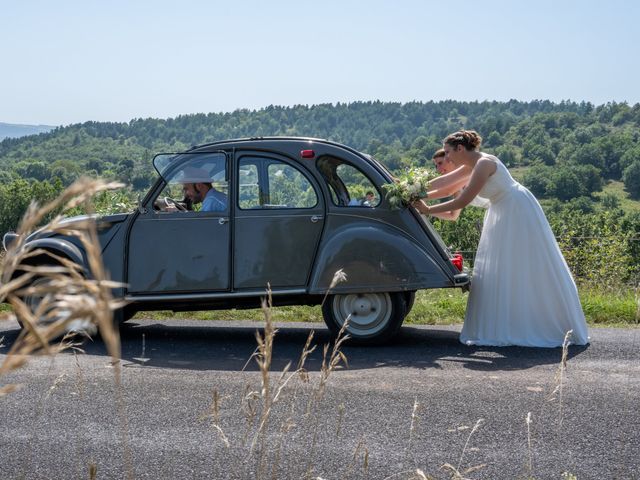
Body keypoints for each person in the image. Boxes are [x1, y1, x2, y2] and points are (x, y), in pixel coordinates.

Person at [413, 130, 589, 347]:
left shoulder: (484, 164)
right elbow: (444, 185)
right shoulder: (471, 165)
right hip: (502, 211)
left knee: (525, 265)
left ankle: (540, 322)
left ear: (460, 149)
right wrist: (411, 191)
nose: (447, 159)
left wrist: (427, 209)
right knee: (505, 269)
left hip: (516, 209)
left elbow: (463, 200)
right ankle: (512, 321)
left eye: (448, 153)